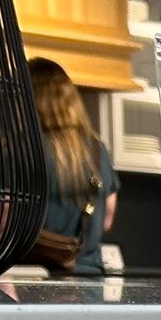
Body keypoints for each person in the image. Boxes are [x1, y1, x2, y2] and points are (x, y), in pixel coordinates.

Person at [29, 57, 116, 277]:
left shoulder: (24, 149)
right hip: (88, 279)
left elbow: (4, 222)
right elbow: (107, 218)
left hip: (34, 280)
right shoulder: (98, 151)